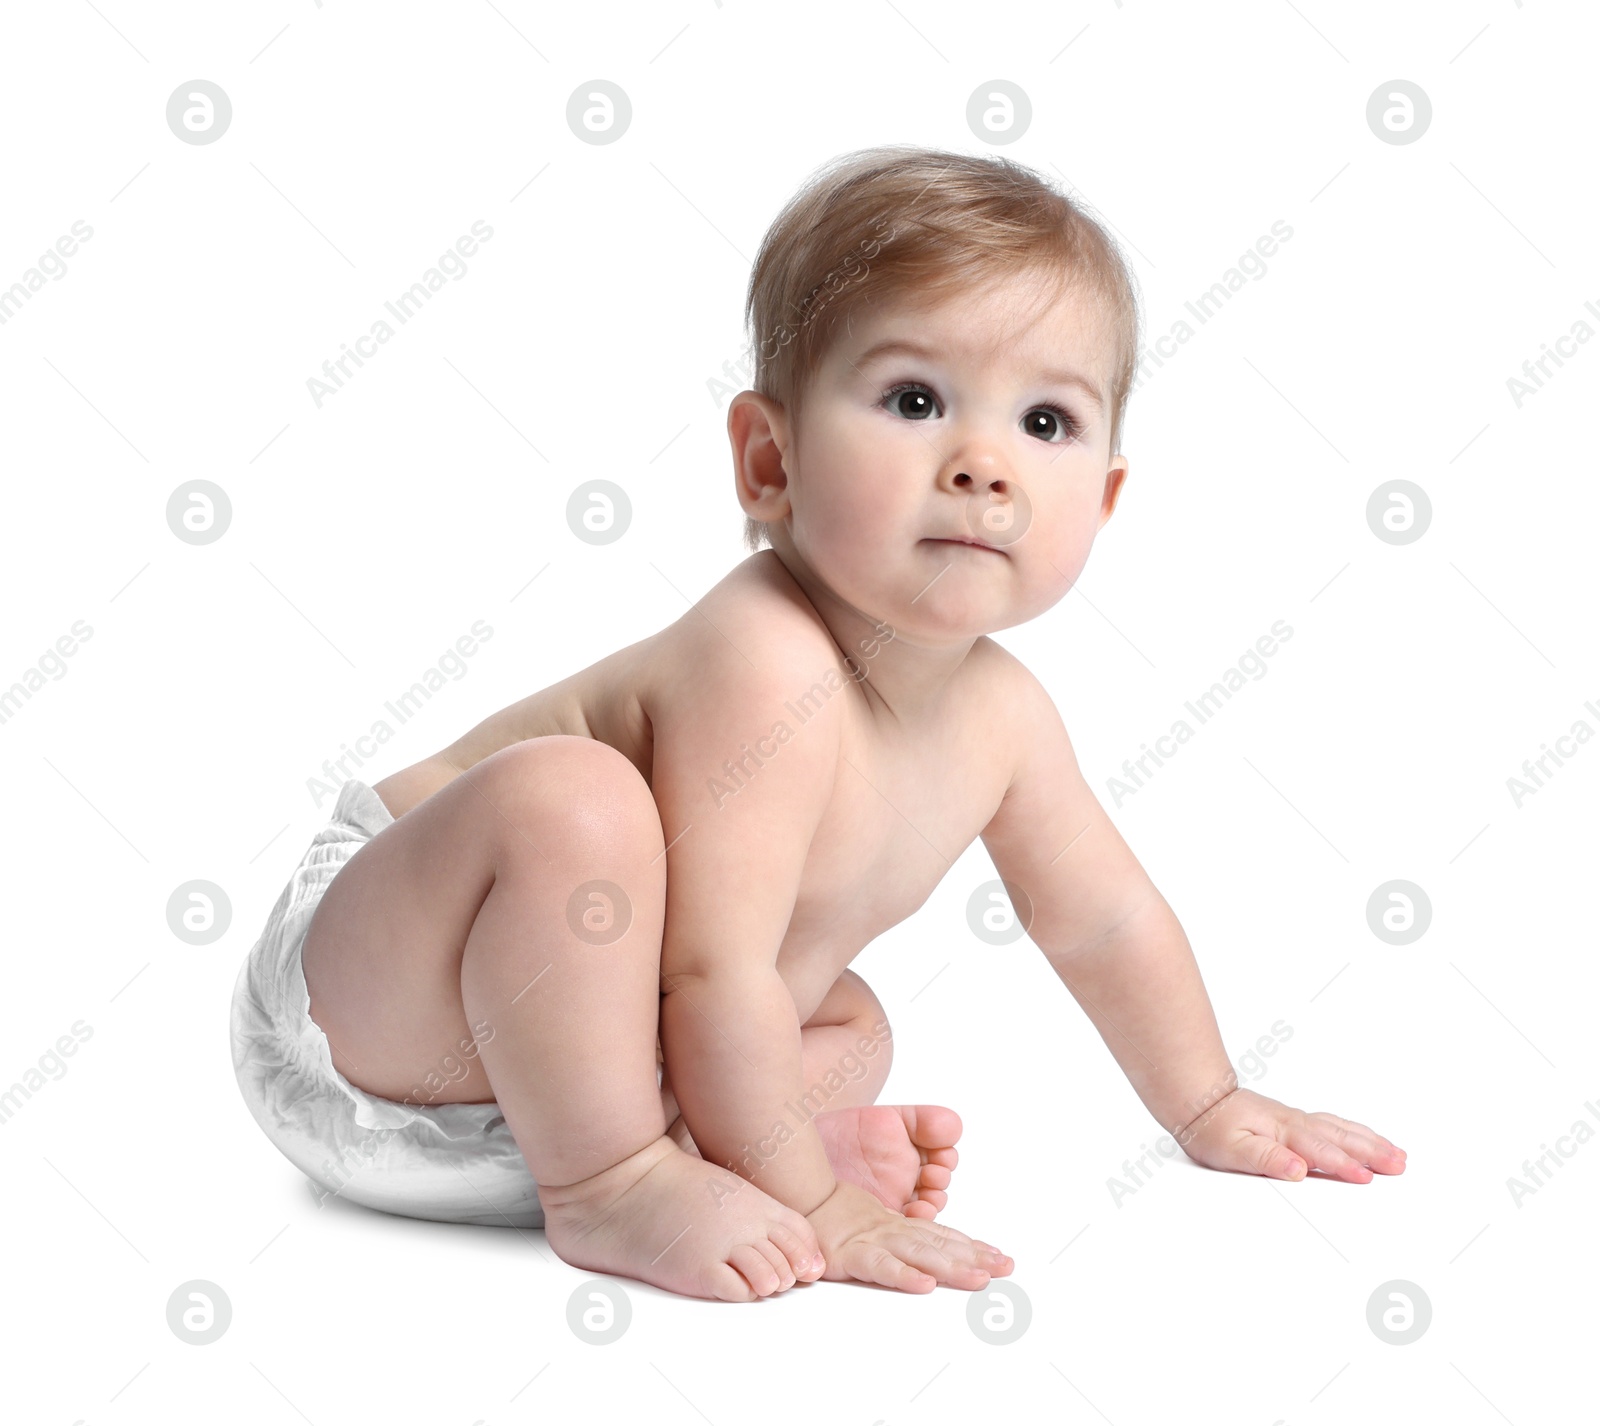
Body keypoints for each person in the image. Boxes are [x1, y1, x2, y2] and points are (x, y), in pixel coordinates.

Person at [230, 144, 1404, 1304]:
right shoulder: (766, 655)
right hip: (367, 1009)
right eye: (913, 400)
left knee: (846, 1027)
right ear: (768, 460)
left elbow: (1102, 921)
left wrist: (1209, 1099)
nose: (983, 465)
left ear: (1102, 498)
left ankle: (696, 1153)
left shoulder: (1006, 718)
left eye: (1046, 423)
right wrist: (829, 1209)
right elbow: (710, 969)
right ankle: (616, 1181)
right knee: (574, 803)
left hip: (536, 1090)